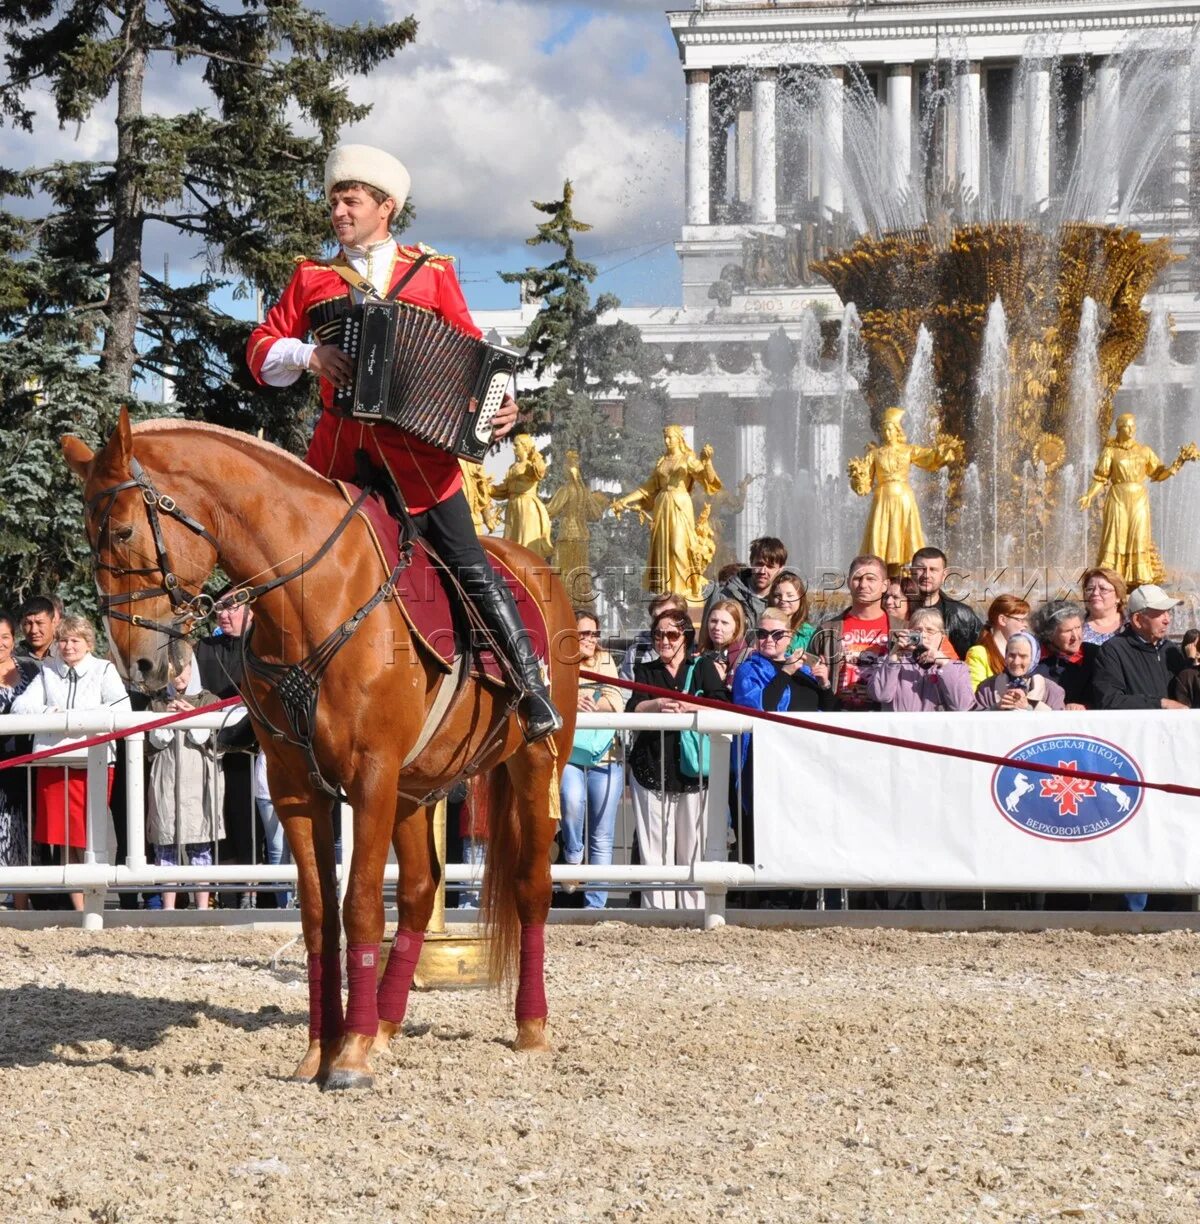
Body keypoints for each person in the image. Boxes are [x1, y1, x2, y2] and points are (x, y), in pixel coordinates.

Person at [246, 142, 559, 743]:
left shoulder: (433, 272)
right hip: (338, 455)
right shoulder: (311, 276)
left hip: (422, 459)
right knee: (280, 567)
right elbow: (262, 350)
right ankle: (258, 702)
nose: (338, 210)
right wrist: (311, 355)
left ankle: (527, 683)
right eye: (335, 200)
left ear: (385, 207)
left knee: (468, 563)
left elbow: (472, 352)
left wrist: (501, 405)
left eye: (352, 200)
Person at [11, 616, 131, 910]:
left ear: (89, 644)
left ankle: (94, 905)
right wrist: (53, 712)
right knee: (62, 839)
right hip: (54, 763)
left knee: (87, 838)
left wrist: (81, 719)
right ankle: (81, 908)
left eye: (75, 640)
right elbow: (21, 706)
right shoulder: (48, 671)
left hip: (94, 763)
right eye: (63, 640)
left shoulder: (104, 670)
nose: (68, 646)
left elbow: (121, 708)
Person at [625, 610, 725, 909]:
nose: (664, 641)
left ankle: (694, 912)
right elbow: (632, 708)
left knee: (693, 849)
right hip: (651, 767)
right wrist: (655, 704)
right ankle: (657, 913)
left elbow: (722, 705)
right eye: (658, 635)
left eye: (671, 635)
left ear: (686, 637)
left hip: (693, 772)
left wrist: (691, 707)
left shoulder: (704, 666)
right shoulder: (647, 670)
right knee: (654, 848)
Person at [732, 608, 836, 886]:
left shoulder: (806, 672)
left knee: (800, 832)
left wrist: (825, 685)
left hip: (803, 766)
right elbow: (762, 708)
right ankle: (761, 896)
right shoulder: (748, 669)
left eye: (777, 634)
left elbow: (832, 713)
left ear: (790, 637)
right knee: (764, 833)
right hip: (765, 764)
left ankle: (798, 893)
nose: (769, 640)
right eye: (762, 633)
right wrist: (786, 672)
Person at [1077, 412, 1198, 586]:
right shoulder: (1110, 452)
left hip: (1139, 498)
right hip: (1117, 497)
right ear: (1119, 429)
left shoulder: (1145, 451)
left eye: (1134, 425)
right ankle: (1113, 575)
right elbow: (1100, 478)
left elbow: (1157, 473)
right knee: (1115, 535)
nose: (1132, 429)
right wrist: (1089, 495)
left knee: (1139, 534)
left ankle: (1138, 577)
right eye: (1127, 426)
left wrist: (1177, 464)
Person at [146, 647, 223, 912]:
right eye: (172, 672)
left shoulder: (209, 699)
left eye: (183, 670)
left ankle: (203, 906)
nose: (178, 678)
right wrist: (167, 721)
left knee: (199, 842)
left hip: (198, 776)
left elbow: (215, 742)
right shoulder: (156, 701)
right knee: (165, 842)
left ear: (192, 668)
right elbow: (150, 745)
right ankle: (168, 907)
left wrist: (192, 717)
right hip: (166, 777)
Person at [610, 425, 723, 601]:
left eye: (670, 437)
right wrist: (625, 500)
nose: (667, 441)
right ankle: (666, 593)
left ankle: (681, 594)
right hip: (662, 506)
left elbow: (707, 480)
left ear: (679, 439)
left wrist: (707, 462)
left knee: (679, 547)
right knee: (664, 550)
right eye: (665, 437)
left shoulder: (688, 459)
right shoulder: (662, 461)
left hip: (680, 504)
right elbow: (647, 488)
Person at [559, 611, 624, 910]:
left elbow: (617, 700)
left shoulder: (606, 660)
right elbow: (551, 697)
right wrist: (572, 702)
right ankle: (572, 854)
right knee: (571, 804)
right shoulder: (559, 661)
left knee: (602, 833)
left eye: (594, 634)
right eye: (583, 634)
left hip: (606, 756)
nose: (589, 640)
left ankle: (595, 905)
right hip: (570, 754)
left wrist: (592, 703)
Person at [847, 407, 964, 570]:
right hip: (882, 498)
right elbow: (864, 487)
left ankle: (904, 569)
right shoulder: (875, 454)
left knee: (904, 534)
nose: (887, 433)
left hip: (903, 498)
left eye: (890, 429)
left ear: (897, 431)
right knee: (881, 536)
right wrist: (857, 475)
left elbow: (928, 457)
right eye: (885, 430)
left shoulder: (908, 450)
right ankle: (881, 569)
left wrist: (943, 452)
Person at [808, 554, 900, 710]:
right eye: (857, 578)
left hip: (886, 720)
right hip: (838, 719)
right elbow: (808, 679)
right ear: (849, 582)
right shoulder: (826, 630)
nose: (863, 585)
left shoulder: (902, 630)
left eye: (871, 579)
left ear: (885, 585)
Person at [1091, 584, 1189, 711]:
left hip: (1173, 728)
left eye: (1168, 612)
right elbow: (1109, 700)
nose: (1167, 620)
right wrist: (1160, 704)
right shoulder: (1112, 650)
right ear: (1137, 619)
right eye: (1159, 614)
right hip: (1137, 729)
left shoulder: (1170, 650)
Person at [0, 612, 39, 908]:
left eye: (5, 638)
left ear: (14, 640)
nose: (0, 644)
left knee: (22, 836)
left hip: (24, 767)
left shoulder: (30, 669)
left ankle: (21, 906)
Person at [864, 607, 973, 712]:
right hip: (898, 729)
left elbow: (962, 706)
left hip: (937, 730)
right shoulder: (892, 662)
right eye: (917, 630)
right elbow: (880, 695)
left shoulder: (957, 667)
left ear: (942, 636)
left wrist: (943, 663)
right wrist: (893, 656)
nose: (923, 635)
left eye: (930, 631)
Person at [701, 536, 787, 634]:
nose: (763, 571)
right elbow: (706, 635)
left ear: (780, 569)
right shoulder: (724, 594)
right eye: (759, 564)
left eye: (770, 567)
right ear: (751, 562)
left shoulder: (784, 601)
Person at [909, 547, 983, 660]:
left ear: (944, 575)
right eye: (920, 568)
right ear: (911, 571)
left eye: (933, 569)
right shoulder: (897, 610)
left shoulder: (962, 615)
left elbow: (981, 657)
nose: (926, 575)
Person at [490, 433, 552, 559]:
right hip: (513, 507)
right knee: (511, 545)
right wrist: (485, 488)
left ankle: (529, 572)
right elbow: (504, 489)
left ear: (525, 447)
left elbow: (539, 471)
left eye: (516, 445)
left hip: (527, 508)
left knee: (526, 545)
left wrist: (535, 455)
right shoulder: (513, 467)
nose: (513, 448)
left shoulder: (530, 465)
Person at [972, 632, 1065, 711]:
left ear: (1034, 658)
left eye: (1023, 656)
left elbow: (1060, 725)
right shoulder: (987, 688)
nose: (1016, 662)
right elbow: (972, 723)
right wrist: (996, 708)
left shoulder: (1052, 691)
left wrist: (1028, 707)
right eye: (1011, 655)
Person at [1033, 600, 1099, 711]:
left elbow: (1106, 694)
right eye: (1067, 631)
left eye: (1078, 628)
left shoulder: (1095, 655)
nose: (1075, 636)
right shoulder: (1035, 659)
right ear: (1050, 634)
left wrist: (1086, 706)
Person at [619, 591, 689, 683]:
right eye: (656, 617)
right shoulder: (636, 654)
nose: (660, 622)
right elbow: (625, 692)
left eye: (667, 616)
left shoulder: (695, 655)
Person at [964, 596, 1031, 690]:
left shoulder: (1026, 651)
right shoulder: (979, 653)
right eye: (1021, 620)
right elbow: (975, 693)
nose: (1026, 625)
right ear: (1002, 620)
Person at [697, 598, 748, 690]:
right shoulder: (700, 653)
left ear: (737, 627)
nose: (717, 627)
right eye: (713, 621)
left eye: (724, 623)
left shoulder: (745, 658)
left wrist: (724, 680)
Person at [766, 570, 816, 659]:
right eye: (778, 595)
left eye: (790, 595)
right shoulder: (762, 631)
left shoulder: (811, 635)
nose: (783, 600)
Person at [1080, 566, 1127, 645]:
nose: (1095, 593)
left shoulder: (1132, 625)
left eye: (1103, 589)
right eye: (1090, 589)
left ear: (1118, 596)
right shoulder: (1077, 627)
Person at [15, 595, 58, 664]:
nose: (33, 630)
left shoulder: (67, 652)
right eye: (28, 623)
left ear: (53, 623)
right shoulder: (13, 657)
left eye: (40, 623)